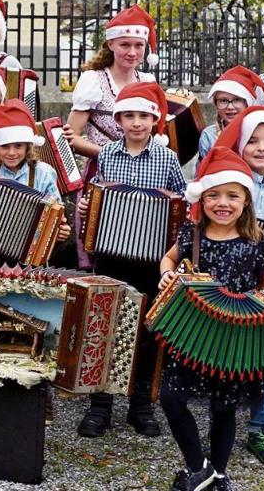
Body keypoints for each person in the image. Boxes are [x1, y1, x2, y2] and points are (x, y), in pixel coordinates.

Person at [157, 146, 264, 491]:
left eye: (232, 196)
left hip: (235, 338)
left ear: (246, 202)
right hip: (193, 334)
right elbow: (168, 260)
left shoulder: (257, 241)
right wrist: (167, 274)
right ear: (202, 199)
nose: (222, 203)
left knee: (224, 408)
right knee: (170, 397)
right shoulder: (192, 235)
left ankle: (220, 473)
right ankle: (199, 466)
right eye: (213, 195)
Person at [76, 81, 186, 439]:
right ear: (118, 119)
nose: (137, 122)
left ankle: (140, 404)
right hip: (111, 254)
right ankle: (100, 404)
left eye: (144, 116)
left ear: (155, 120)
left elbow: (183, 204)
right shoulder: (106, 154)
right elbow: (97, 197)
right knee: (105, 326)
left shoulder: (168, 158)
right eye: (129, 116)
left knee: (148, 332)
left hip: (152, 259)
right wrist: (86, 208)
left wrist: (175, 214)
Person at [209, 106, 264, 466]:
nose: (262, 148)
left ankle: (261, 428)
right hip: (232, 281)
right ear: (242, 145)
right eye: (253, 141)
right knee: (227, 358)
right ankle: (222, 421)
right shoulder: (231, 181)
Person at [66, 4, 159, 178]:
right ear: (111, 44)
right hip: (103, 173)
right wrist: (109, 154)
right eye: (125, 45)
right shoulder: (94, 81)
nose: (132, 52)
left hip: (144, 173)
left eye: (139, 45)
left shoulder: (148, 81)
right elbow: (71, 136)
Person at [197, 65, 264, 162]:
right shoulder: (209, 135)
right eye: (223, 101)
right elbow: (201, 173)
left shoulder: (260, 132)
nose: (230, 107)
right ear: (216, 104)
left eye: (237, 100)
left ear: (247, 103)